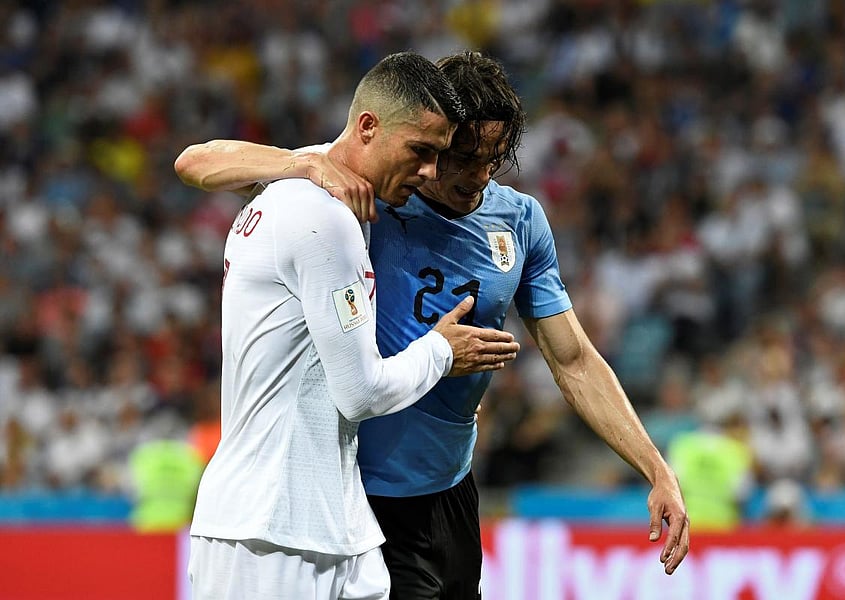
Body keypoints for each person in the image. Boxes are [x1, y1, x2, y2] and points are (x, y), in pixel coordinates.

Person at [175, 51, 689, 598]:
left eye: (493, 159)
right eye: (461, 157)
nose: (476, 176)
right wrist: (300, 164)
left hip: (451, 490)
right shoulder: (365, 185)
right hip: (363, 496)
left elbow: (574, 360)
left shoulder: (519, 222)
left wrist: (655, 466)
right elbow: (197, 161)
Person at [179, 52, 521, 600]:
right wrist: (440, 353)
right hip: (267, 532)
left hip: (333, 525)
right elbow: (360, 391)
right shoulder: (321, 213)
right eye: (422, 152)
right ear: (367, 127)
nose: (432, 172)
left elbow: (197, 162)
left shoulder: (325, 185)